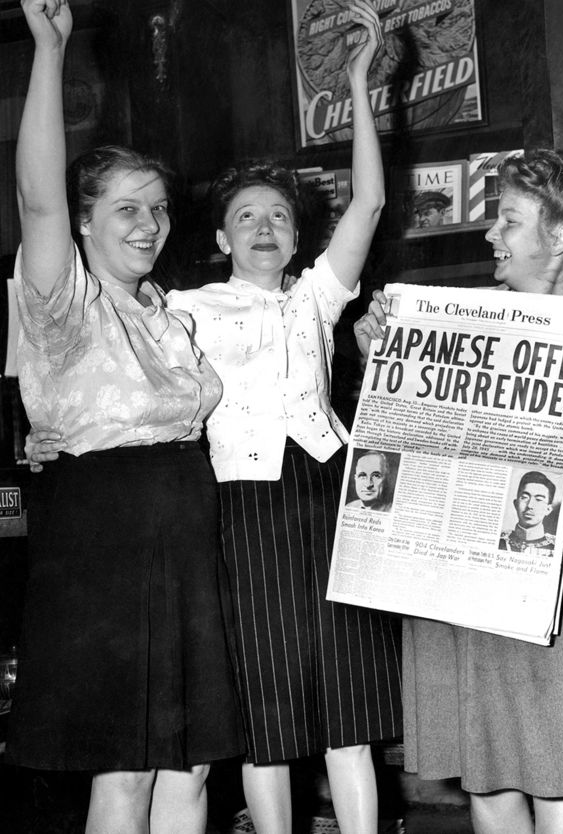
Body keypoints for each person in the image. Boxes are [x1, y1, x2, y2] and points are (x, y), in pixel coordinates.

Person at [26, 3, 402, 833]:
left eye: (279, 217)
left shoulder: (295, 300)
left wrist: (356, 85)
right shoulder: (181, 307)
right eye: (245, 218)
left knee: (310, 720)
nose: (264, 228)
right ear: (223, 238)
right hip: (225, 507)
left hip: (307, 498)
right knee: (253, 719)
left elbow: (369, 207)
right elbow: (52, 232)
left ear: (298, 233)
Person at [7, 2, 244, 832]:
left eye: (158, 208)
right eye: (126, 210)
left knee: (191, 770)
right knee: (127, 770)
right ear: (84, 223)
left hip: (183, 534)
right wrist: (52, 47)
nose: (149, 225)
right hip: (106, 542)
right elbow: (38, 197)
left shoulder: (163, 311)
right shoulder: (65, 303)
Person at [354, 148, 563, 833]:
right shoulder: (461, 323)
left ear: (562, 235)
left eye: (509, 219)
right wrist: (383, 362)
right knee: (488, 780)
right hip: (455, 580)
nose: (491, 234)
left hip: (553, 587)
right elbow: (408, 457)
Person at [498, 470, 556, 555]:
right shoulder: (500, 541)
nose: (530, 505)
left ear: (548, 509)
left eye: (539, 499)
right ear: (515, 504)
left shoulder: (555, 547)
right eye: (525, 497)